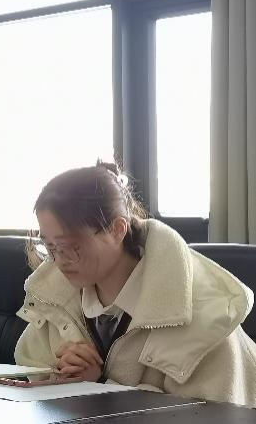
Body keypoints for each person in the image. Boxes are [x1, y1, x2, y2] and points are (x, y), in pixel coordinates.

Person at [15, 162, 256, 407]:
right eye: (50, 247)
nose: (59, 261)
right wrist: (64, 376)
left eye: (71, 247)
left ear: (117, 230)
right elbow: (31, 376)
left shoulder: (207, 314)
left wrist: (98, 386)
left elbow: (207, 413)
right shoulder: (56, 300)